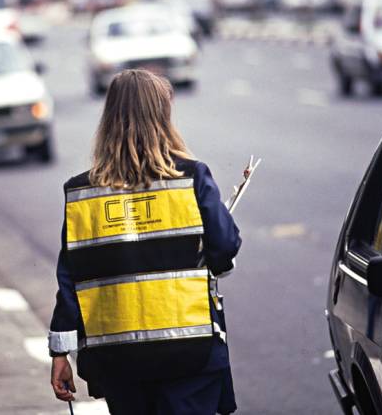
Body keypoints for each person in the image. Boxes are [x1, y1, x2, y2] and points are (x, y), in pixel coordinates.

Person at [48, 69, 242, 414]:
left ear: (109, 118)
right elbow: (224, 247)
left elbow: (71, 279)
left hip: (116, 359)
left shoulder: (81, 193)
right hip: (189, 352)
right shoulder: (191, 177)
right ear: (163, 117)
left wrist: (60, 351)